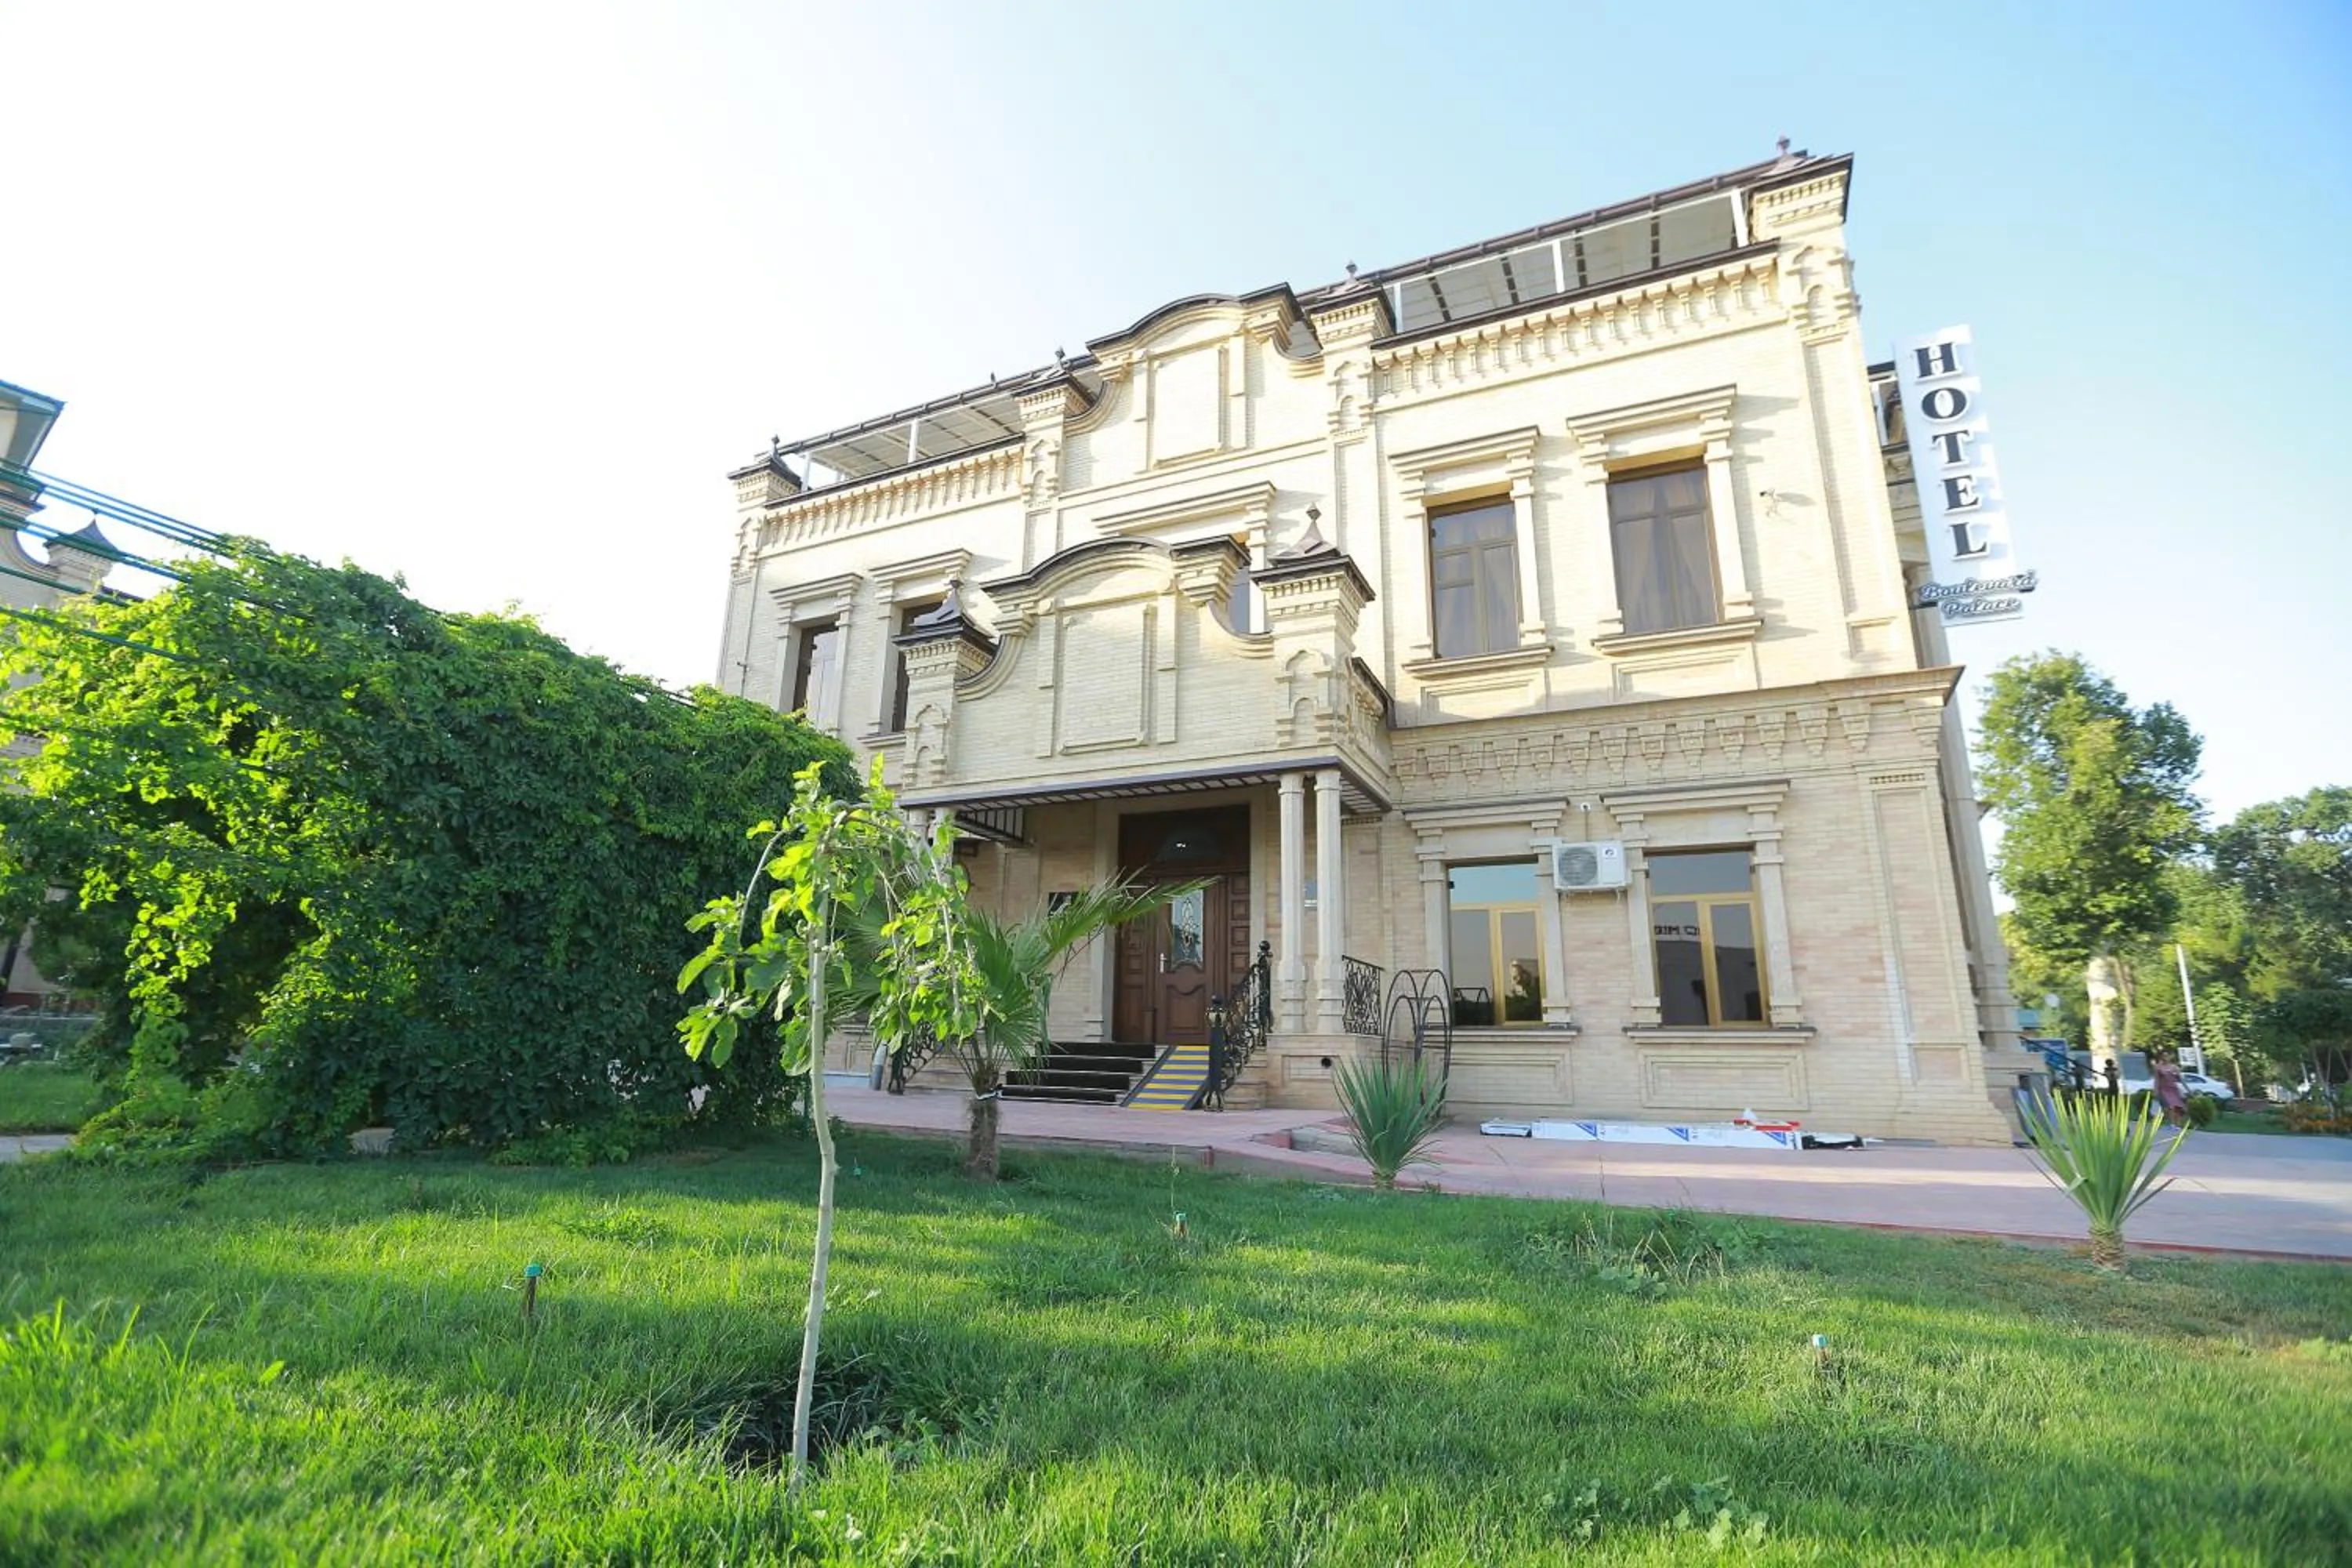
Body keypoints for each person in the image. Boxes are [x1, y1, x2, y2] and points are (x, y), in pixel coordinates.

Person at [2152, 1051, 2189, 1124]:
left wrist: (2188, 1090)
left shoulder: (2174, 1067)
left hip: (2174, 1089)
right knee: (2171, 1106)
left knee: (2178, 1107)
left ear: (2169, 1057)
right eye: (2163, 1056)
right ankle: (2172, 1124)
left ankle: (2178, 1123)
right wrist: (2156, 1091)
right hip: (2164, 1089)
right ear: (2161, 1057)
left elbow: (2181, 1079)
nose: (2165, 1058)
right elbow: (2157, 1080)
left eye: (2167, 1056)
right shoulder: (2158, 1067)